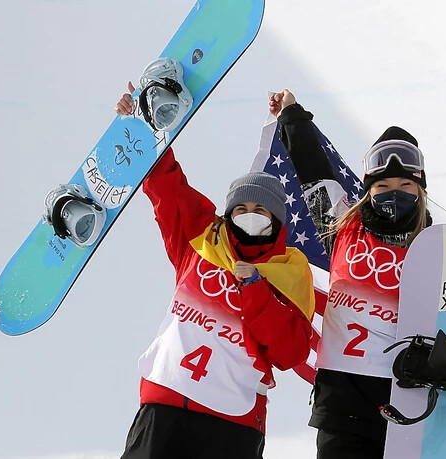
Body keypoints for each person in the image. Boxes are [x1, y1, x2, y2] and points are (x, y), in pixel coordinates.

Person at [268, 89, 446, 458]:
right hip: (341, 400)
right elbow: (313, 169)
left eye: (406, 186)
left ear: (421, 192)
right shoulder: (342, 225)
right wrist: (292, 115)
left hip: (404, 396)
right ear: (368, 190)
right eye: (383, 186)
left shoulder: (438, 252)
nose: (395, 193)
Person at [114, 83, 315, 459]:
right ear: (228, 214)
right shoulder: (200, 238)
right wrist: (138, 127)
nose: (250, 216)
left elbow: (291, 351)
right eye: (241, 209)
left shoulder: (290, 271)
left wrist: (256, 290)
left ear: (277, 220)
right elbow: (166, 185)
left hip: (231, 422)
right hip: (164, 403)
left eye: (261, 210)